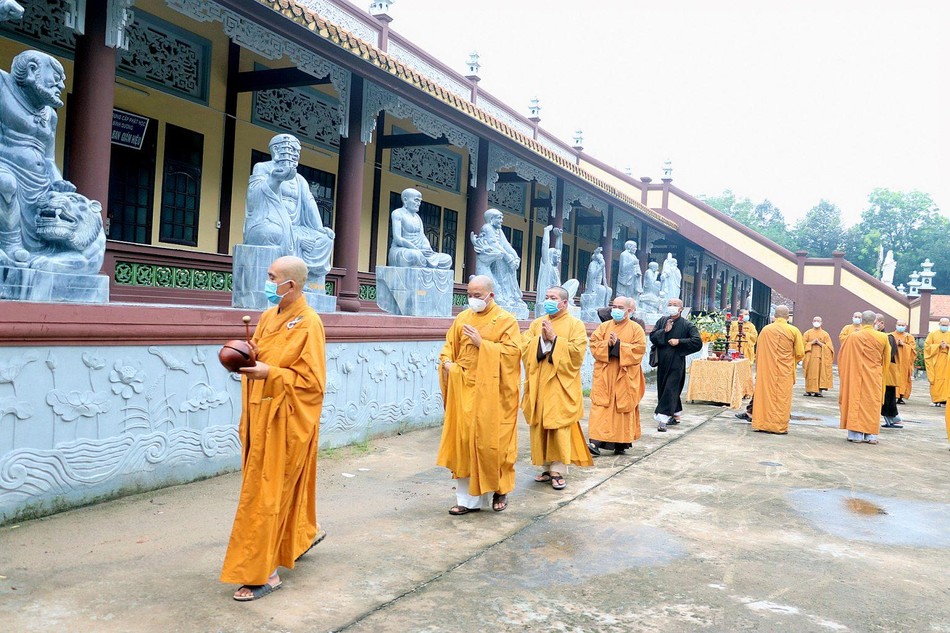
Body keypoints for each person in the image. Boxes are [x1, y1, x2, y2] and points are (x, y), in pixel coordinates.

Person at [221, 256, 327, 601]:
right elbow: (265, 357)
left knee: (267, 493)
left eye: (271, 277)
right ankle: (299, 536)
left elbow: (312, 384)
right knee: (267, 488)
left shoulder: (310, 324)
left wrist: (272, 374)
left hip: (286, 420)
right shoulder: (268, 317)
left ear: (290, 285)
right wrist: (248, 354)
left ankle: (262, 572)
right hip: (258, 416)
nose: (267, 282)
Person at [437, 275, 522, 515]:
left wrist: (482, 344)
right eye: (469, 295)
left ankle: (499, 489)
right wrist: (446, 365)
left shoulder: (506, 321)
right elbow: (448, 348)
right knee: (464, 443)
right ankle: (467, 500)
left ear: (490, 295)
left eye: (477, 295)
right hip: (464, 389)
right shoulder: (462, 318)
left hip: (493, 394)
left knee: (491, 444)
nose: (473, 300)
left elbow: (513, 354)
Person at [0, 50, 74, 264]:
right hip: (6, 167)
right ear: (32, 70)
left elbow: (49, 159)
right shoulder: (3, 87)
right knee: (6, 183)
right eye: (56, 78)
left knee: (70, 205)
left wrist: (58, 182)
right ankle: (11, 244)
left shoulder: (50, 115)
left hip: (39, 181)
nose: (61, 86)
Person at [520, 286, 593, 490]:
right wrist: (541, 340)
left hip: (561, 384)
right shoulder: (537, 323)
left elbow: (577, 354)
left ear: (564, 303)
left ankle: (558, 470)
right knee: (541, 423)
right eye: (546, 297)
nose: (548, 301)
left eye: (553, 298)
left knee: (558, 425)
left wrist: (554, 339)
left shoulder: (575, 325)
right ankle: (545, 466)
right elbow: (524, 347)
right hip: (539, 383)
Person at [246, 135, 335, 288]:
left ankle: (304, 282)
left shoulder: (300, 179)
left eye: (298, 152)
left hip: (297, 227)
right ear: (276, 149)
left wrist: (320, 230)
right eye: (292, 149)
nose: (295, 155)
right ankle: (283, 281)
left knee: (325, 239)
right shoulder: (263, 168)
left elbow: (310, 205)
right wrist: (274, 180)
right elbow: (254, 196)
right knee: (272, 233)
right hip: (271, 222)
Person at [588, 296, 646, 456]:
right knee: (601, 407)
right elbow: (593, 344)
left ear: (629, 310)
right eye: (614, 306)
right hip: (605, 375)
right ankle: (595, 442)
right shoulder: (604, 327)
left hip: (624, 376)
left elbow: (639, 350)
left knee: (622, 408)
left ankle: (621, 442)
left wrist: (619, 345)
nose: (616, 310)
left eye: (620, 307)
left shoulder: (636, 329)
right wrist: (608, 344)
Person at [649, 298, 703, 431]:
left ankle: (662, 418)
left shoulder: (687, 324)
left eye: (675, 305)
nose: (671, 307)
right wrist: (664, 332)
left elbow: (697, 342)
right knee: (664, 387)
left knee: (670, 388)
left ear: (681, 309)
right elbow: (653, 337)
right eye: (669, 305)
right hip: (662, 361)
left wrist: (679, 341)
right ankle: (676, 413)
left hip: (676, 362)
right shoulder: (662, 321)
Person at [749, 306, 804, 434]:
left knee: (765, 396)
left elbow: (759, 351)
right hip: (784, 372)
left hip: (767, 371)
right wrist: (790, 361)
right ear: (787, 317)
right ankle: (779, 427)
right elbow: (800, 353)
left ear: (774, 316)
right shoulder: (793, 331)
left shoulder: (766, 330)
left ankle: (762, 424)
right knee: (782, 398)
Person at [838, 310, 890, 444]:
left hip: (855, 375)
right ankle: (871, 435)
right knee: (872, 402)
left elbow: (843, 357)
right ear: (874, 322)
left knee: (855, 400)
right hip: (874, 375)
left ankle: (855, 434)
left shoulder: (853, 337)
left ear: (861, 321)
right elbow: (887, 359)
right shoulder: (883, 337)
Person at [388, 188, 452, 269]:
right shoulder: (397, 213)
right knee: (415, 255)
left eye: (420, 201)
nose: (418, 203)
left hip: (420, 252)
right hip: (402, 250)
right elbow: (398, 239)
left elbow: (422, 236)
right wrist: (417, 250)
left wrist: (429, 251)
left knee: (447, 259)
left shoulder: (417, 217)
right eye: (416, 200)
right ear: (405, 200)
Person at [875, 314, 903, 428]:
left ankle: (895, 419)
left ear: (882, 323)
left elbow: (889, 354)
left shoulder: (889, 337)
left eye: (876, 322)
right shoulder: (876, 335)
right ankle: (891, 419)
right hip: (879, 371)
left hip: (887, 371)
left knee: (888, 396)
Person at [535, 225, 563, 318]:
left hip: (557, 295)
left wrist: (559, 237)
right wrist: (546, 231)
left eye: (559, 256)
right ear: (551, 255)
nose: (559, 258)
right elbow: (544, 246)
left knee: (574, 282)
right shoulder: (546, 264)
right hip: (547, 297)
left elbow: (559, 250)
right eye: (556, 256)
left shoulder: (555, 267)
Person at [802, 316, 834, 396]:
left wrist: (820, 344)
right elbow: (802, 344)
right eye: (815, 320)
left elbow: (830, 347)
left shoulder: (825, 334)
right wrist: (811, 343)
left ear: (821, 323)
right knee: (810, 374)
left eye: (818, 321)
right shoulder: (807, 333)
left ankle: (819, 391)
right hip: (810, 357)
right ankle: (808, 390)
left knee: (820, 373)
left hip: (821, 358)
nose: (816, 322)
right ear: (812, 322)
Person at [924, 317, 950, 407]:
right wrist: (938, 346)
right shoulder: (932, 334)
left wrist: (947, 346)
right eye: (943, 325)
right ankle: (935, 399)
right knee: (935, 379)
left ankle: (944, 400)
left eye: (946, 325)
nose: (944, 327)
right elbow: (927, 347)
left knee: (946, 380)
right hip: (936, 360)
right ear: (939, 324)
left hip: (947, 360)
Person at [892, 319, 916, 404]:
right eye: (899, 325)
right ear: (896, 325)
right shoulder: (891, 335)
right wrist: (895, 343)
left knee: (903, 378)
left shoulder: (909, 337)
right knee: (893, 378)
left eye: (902, 325)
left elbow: (913, 349)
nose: (900, 327)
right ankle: (893, 396)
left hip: (904, 363)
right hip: (894, 361)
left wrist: (903, 345)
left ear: (906, 327)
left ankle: (900, 397)